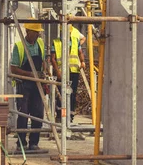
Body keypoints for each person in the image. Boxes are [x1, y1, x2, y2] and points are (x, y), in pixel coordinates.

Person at [10, 21, 46, 153]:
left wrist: (43, 73)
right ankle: (21, 143)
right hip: (24, 84)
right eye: (35, 32)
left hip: (37, 84)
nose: (37, 35)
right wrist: (29, 74)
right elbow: (13, 68)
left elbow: (43, 61)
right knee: (23, 114)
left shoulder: (40, 44)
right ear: (28, 32)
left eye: (38, 32)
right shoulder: (19, 46)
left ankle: (34, 143)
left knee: (37, 113)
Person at [50, 25, 86, 123]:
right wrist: (58, 72)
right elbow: (53, 59)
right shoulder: (56, 42)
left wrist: (82, 61)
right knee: (61, 94)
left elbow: (79, 52)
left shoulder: (75, 40)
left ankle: (69, 116)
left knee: (72, 93)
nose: (68, 34)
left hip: (73, 71)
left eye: (69, 32)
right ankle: (60, 115)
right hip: (61, 72)